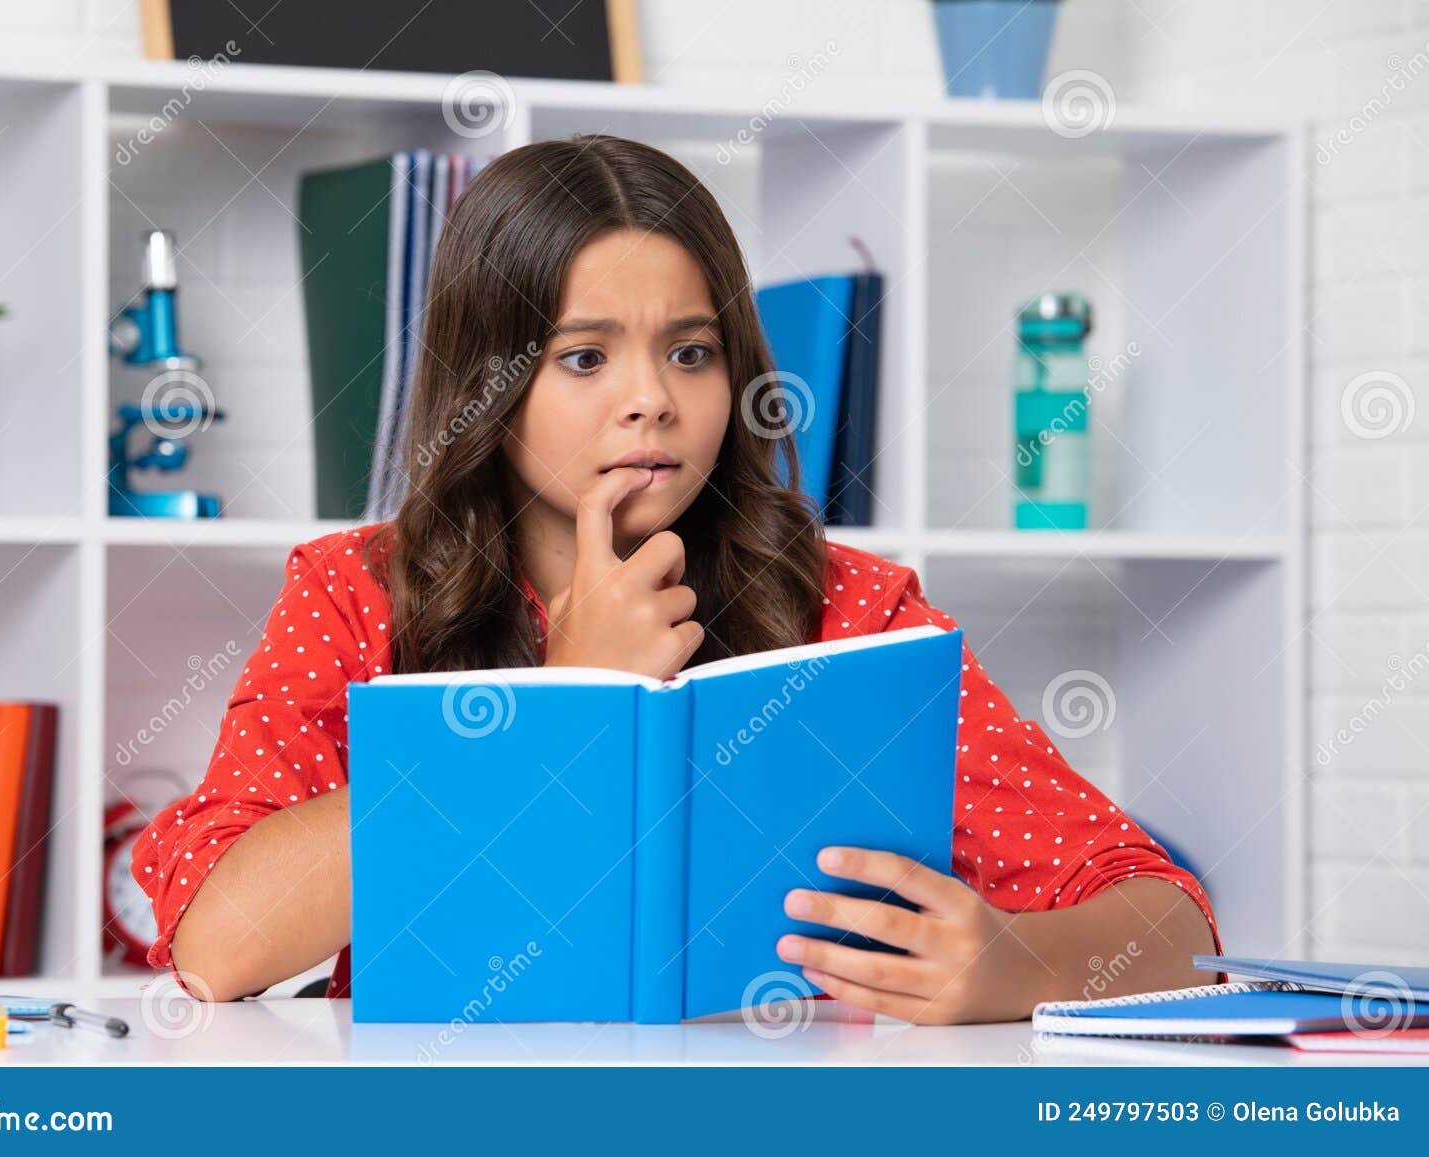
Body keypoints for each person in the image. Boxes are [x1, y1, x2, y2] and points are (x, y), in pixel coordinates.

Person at [132, 134, 1220, 1021]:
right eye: (585, 356)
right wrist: (558, 694)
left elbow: (1167, 916)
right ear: (490, 384)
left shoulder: (855, 610)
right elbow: (220, 944)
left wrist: (1022, 966)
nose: (651, 399)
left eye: (691, 352)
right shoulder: (356, 591)